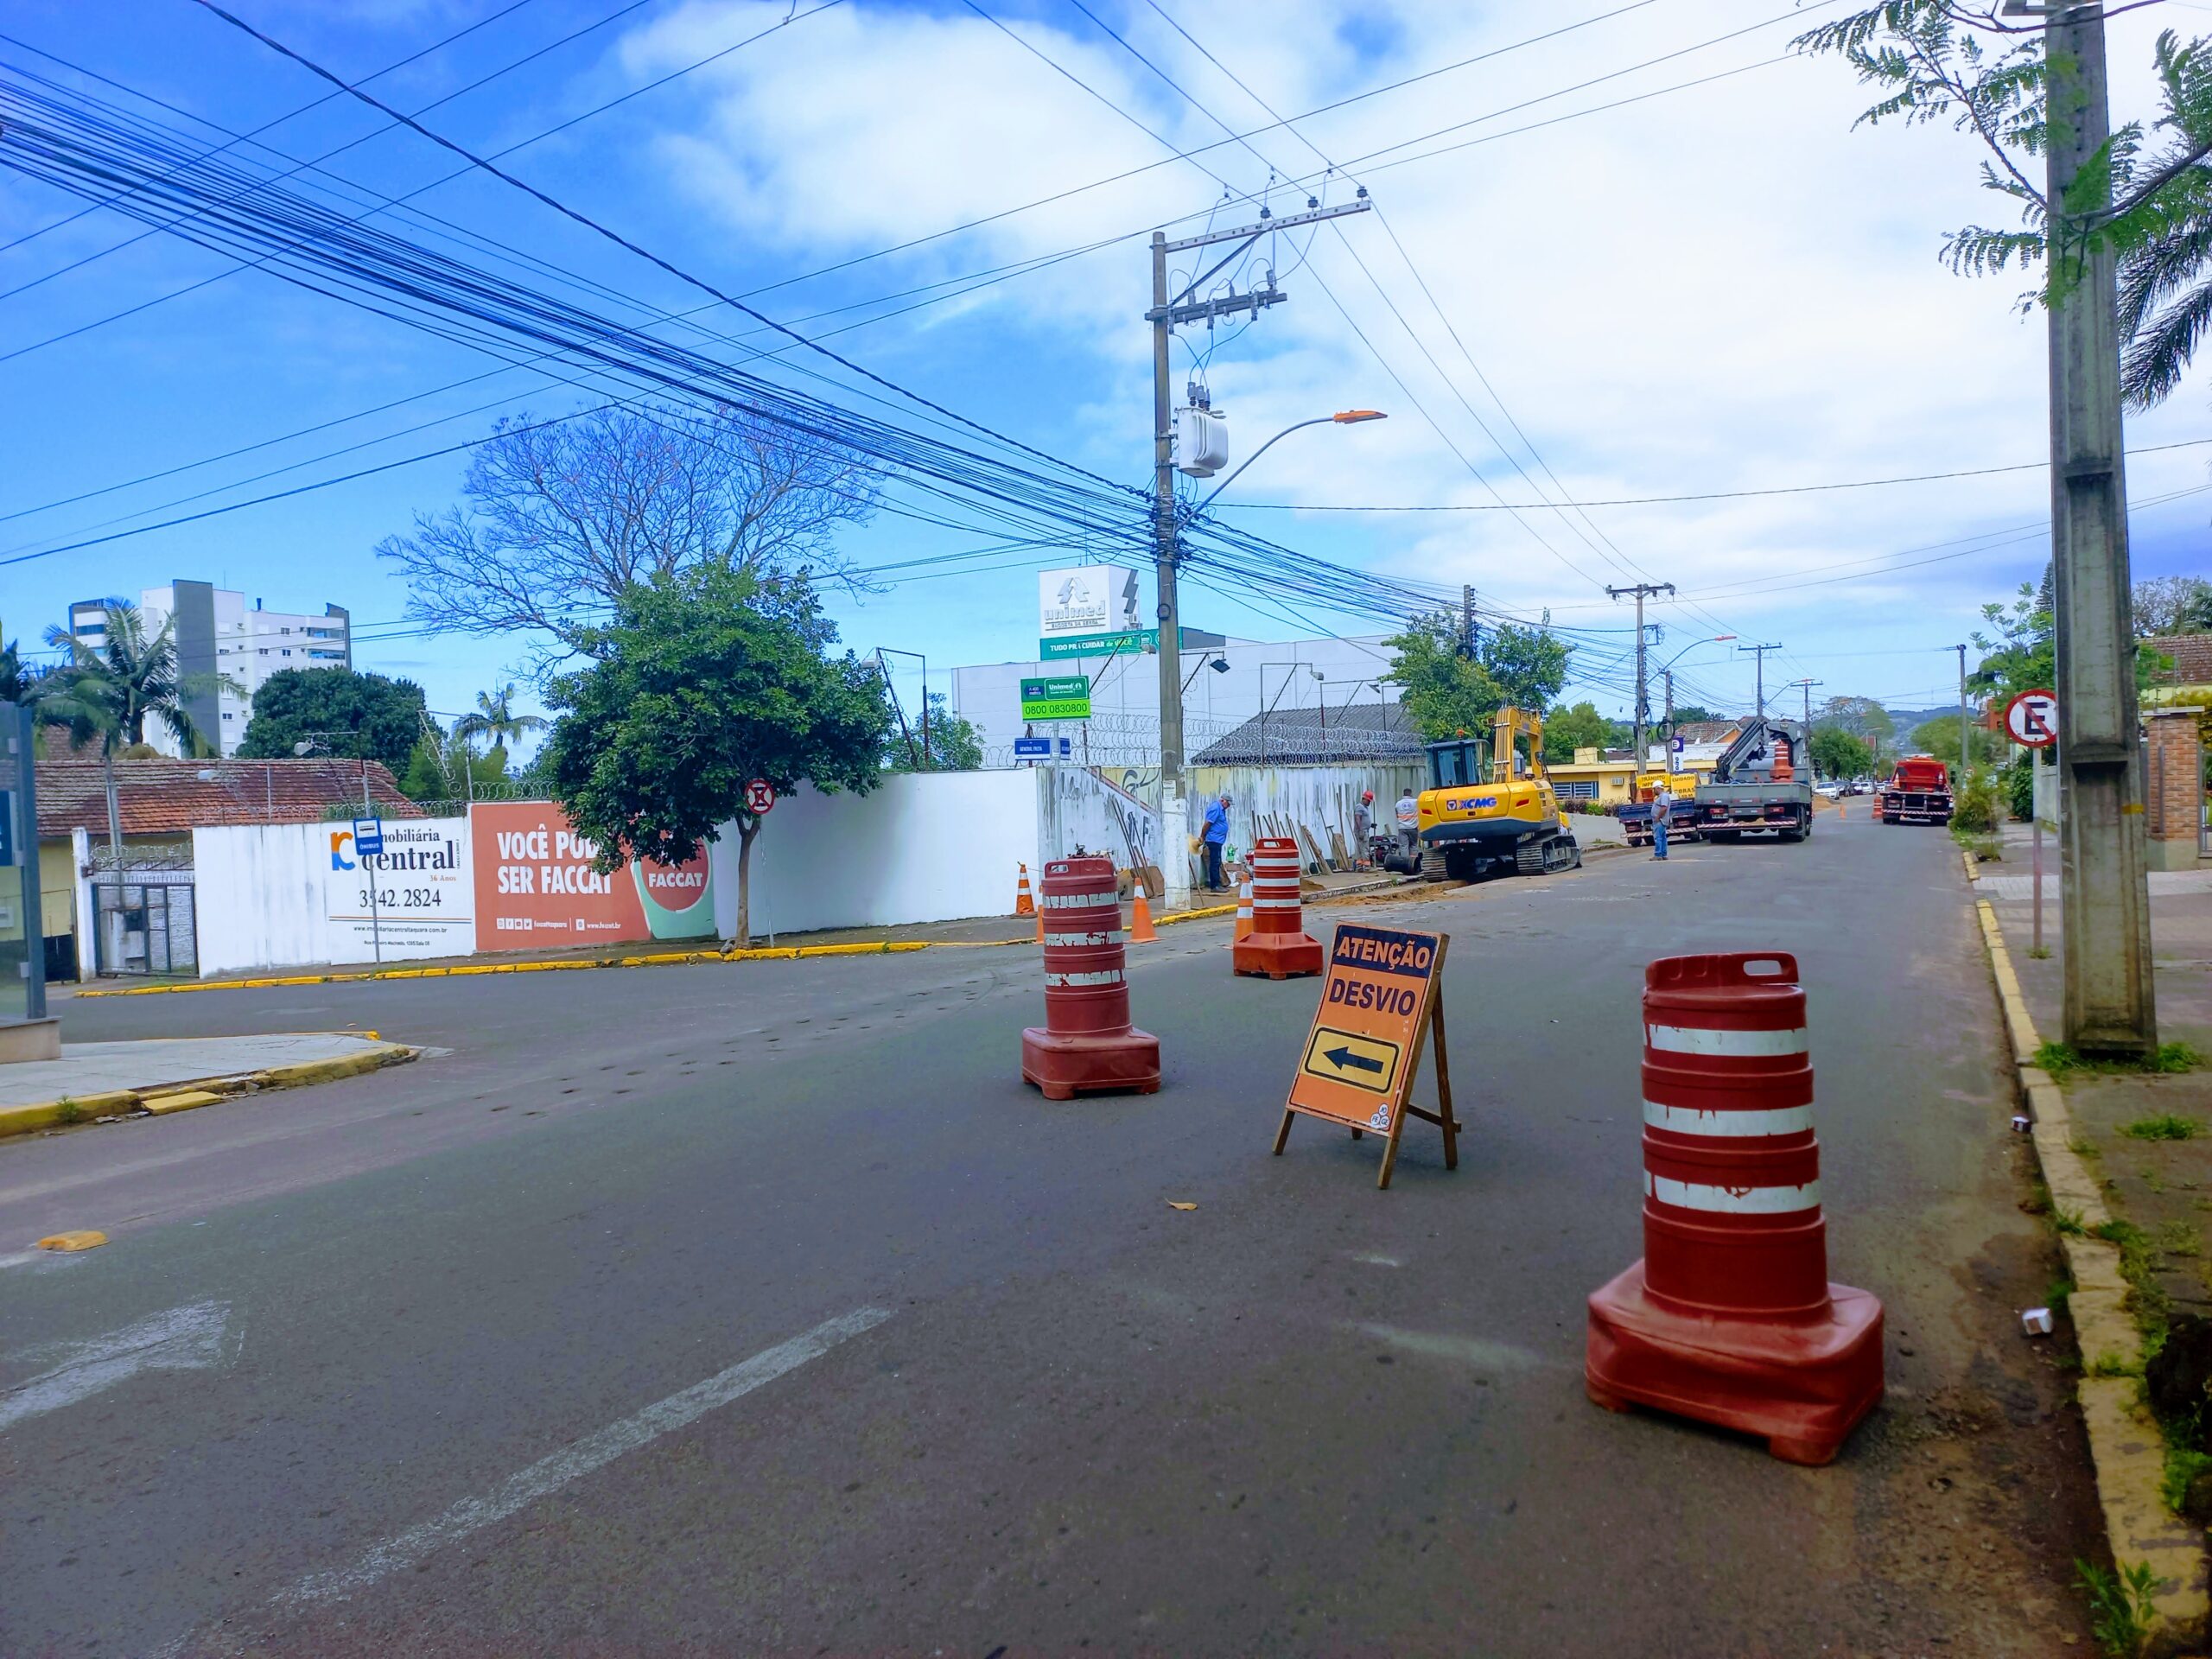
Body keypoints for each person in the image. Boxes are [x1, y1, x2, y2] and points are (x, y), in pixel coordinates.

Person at [1202, 792, 1231, 890]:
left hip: (1218, 840)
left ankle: (1216, 883)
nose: (1229, 806)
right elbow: (1207, 824)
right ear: (1223, 801)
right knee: (1214, 862)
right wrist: (1202, 836)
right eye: (1228, 803)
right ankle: (1215, 885)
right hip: (1213, 840)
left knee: (1217, 862)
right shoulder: (1216, 808)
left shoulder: (1221, 809)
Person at [1395, 787, 1420, 860]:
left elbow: (1397, 815)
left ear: (1404, 794)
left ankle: (1405, 864)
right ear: (1411, 794)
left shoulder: (1398, 804)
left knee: (1403, 846)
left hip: (1402, 828)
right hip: (1413, 827)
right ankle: (1414, 863)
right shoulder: (1415, 802)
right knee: (1413, 845)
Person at [1651, 782, 1672, 861]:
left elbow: (1664, 808)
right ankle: (1663, 854)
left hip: (1660, 820)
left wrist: (1657, 817)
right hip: (1661, 820)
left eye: (1654, 789)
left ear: (1657, 788)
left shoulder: (1663, 796)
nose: (1654, 791)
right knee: (1662, 838)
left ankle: (1658, 854)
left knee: (1658, 838)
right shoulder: (1662, 796)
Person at [1352, 790, 1375, 864]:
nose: (1369, 802)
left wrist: (1370, 825)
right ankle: (1366, 866)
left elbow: (1363, 820)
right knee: (1365, 848)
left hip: (1363, 830)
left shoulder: (1364, 807)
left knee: (1360, 849)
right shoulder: (1359, 807)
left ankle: (1359, 865)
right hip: (1362, 831)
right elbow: (1357, 818)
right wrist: (1360, 830)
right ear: (1364, 799)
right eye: (1368, 801)